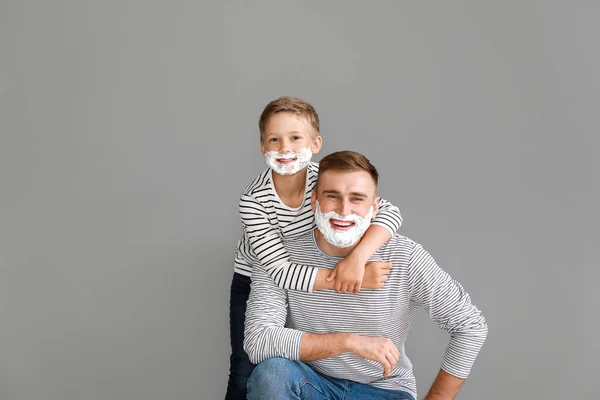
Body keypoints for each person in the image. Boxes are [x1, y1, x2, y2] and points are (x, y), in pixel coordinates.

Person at [244, 151, 488, 400]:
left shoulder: (404, 256)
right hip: (311, 383)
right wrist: (349, 342)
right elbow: (259, 340)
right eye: (332, 196)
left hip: (384, 390)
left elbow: (470, 326)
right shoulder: (278, 257)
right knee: (272, 374)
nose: (344, 210)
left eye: (357, 199)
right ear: (314, 201)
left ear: (374, 208)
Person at [225, 97, 404, 399]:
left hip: (317, 271)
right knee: (246, 367)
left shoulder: (326, 181)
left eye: (295, 138)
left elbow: (389, 212)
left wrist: (357, 261)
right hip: (262, 277)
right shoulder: (253, 201)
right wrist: (347, 279)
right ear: (262, 146)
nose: (285, 149)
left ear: (316, 143)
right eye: (274, 140)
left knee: (310, 356)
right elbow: (279, 271)